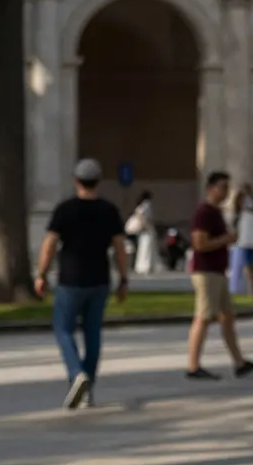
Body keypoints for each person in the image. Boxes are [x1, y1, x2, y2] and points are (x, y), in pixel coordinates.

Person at [33, 159, 129, 410]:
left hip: (71, 279)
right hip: (99, 279)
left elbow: (50, 244)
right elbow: (120, 247)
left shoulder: (65, 209)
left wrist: (41, 274)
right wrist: (124, 279)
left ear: (76, 180)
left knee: (63, 329)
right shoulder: (109, 210)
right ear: (98, 181)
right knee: (93, 333)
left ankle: (77, 374)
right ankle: (88, 390)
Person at [186, 171, 253, 381]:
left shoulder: (217, 212)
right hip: (206, 272)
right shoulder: (204, 213)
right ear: (210, 188)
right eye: (222, 187)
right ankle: (193, 365)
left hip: (218, 272)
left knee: (227, 317)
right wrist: (226, 239)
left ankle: (239, 363)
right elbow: (199, 243)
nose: (225, 192)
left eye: (227, 188)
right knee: (203, 318)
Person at [127, 190, 160, 275]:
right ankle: (146, 265)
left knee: (143, 247)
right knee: (148, 247)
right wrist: (146, 225)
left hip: (143, 230)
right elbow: (144, 216)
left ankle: (141, 266)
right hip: (147, 229)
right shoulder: (147, 204)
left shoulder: (140, 205)